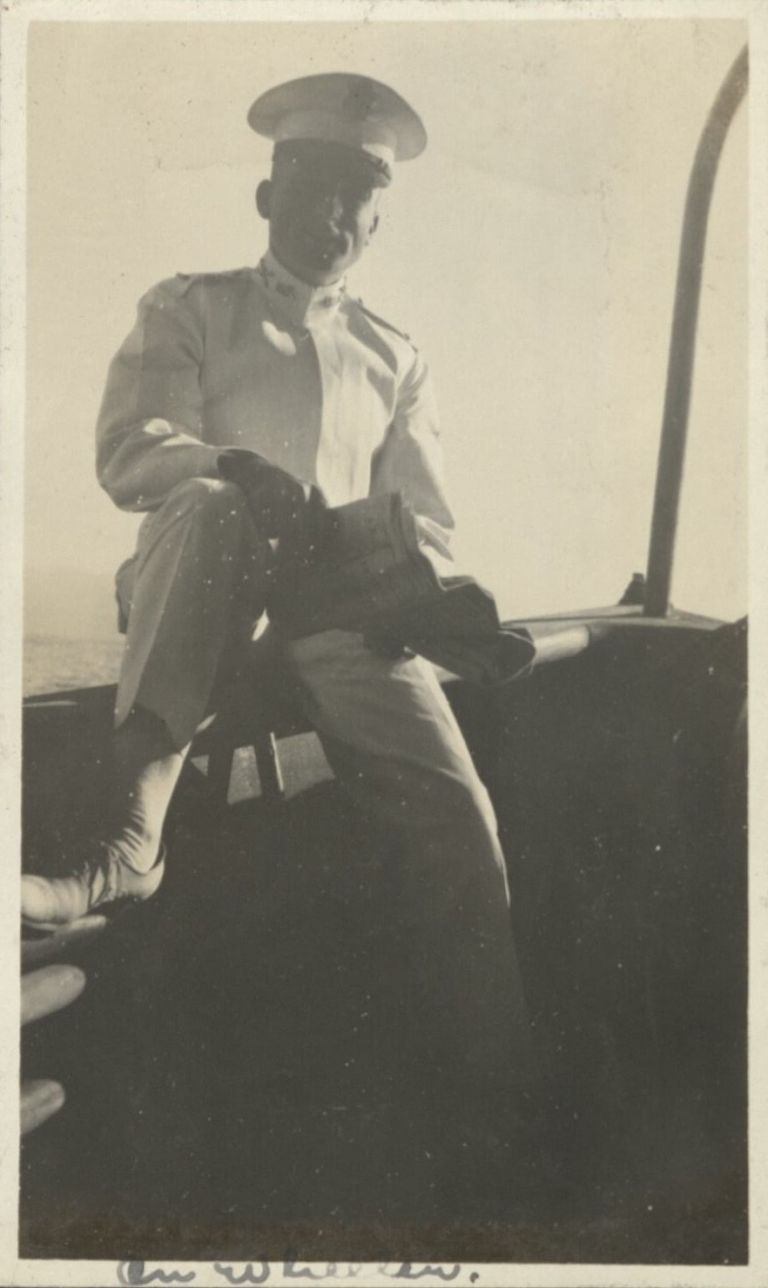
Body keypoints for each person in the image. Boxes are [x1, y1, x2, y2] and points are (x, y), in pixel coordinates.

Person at [21, 74, 533, 1149]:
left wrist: (393, 574)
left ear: (379, 218)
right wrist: (237, 468)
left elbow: (429, 524)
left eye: (357, 195)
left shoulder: (397, 358)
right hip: (196, 588)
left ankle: (498, 1098)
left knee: (462, 820)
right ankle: (131, 839)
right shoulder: (192, 307)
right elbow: (130, 451)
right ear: (267, 195)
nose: (332, 216)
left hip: (337, 613)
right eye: (311, 188)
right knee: (214, 503)